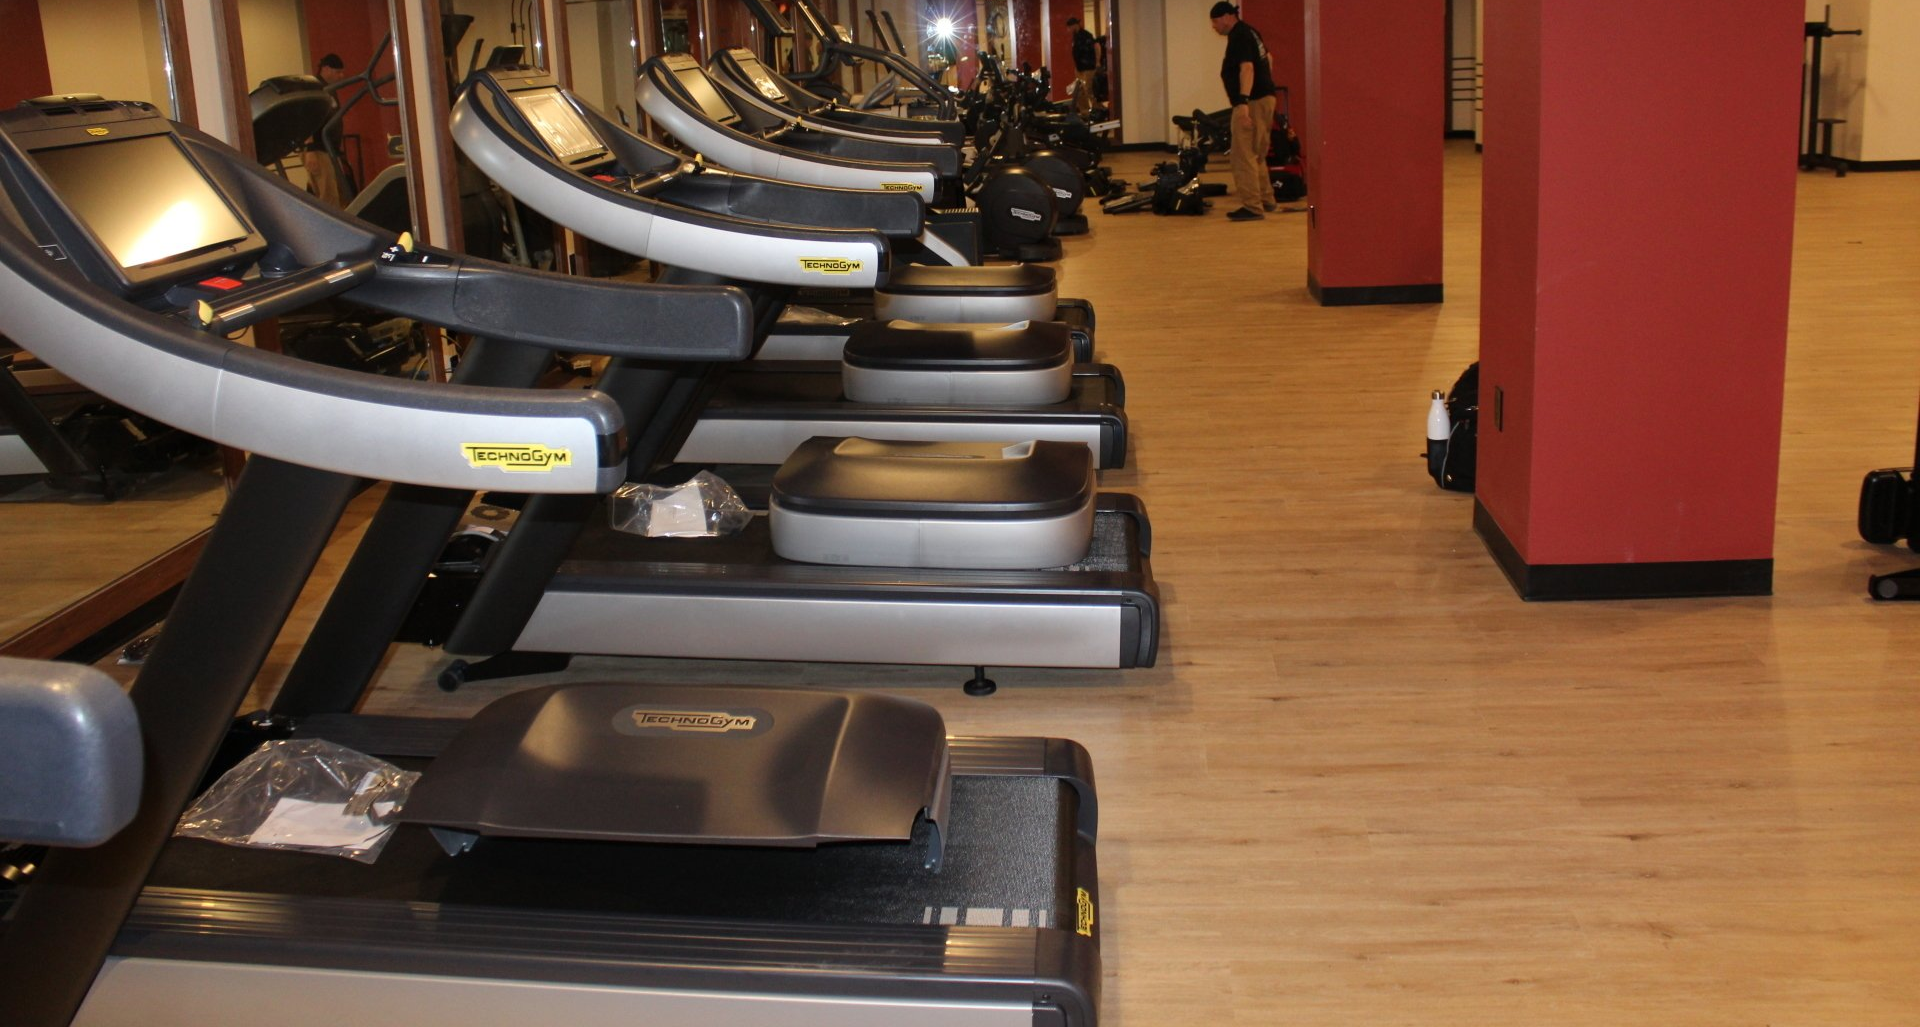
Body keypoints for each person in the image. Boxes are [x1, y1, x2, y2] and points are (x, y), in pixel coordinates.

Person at [1208, 1, 1277, 221]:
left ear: (1228, 17)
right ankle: (1267, 200)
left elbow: (1247, 67)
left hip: (1252, 102)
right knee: (1257, 154)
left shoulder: (1239, 35)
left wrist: (1243, 103)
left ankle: (1252, 207)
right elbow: (1269, 59)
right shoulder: (1251, 32)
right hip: (1266, 98)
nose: (1214, 27)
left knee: (1242, 156)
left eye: (1216, 22)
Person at [1067, 16, 1100, 117]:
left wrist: (1097, 62)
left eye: (1070, 27)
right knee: (1079, 91)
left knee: (1088, 90)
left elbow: (1096, 46)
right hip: (1079, 68)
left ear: (1075, 25)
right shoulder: (1075, 36)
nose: (1068, 29)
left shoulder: (1086, 35)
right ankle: (1085, 112)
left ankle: (1097, 109)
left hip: (1088, 67)